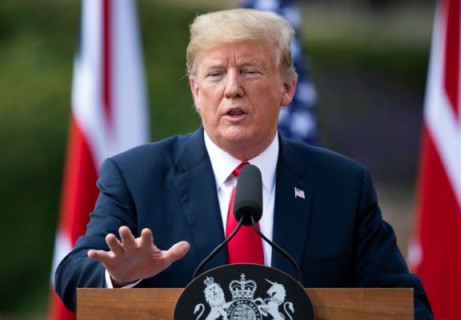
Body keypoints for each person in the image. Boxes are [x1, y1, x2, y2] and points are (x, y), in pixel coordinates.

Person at [55, 8, 433, 318]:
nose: (232, 88)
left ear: (287, 88)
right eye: (216, 74)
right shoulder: (137, 176)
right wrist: (117, 277)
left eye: (250, 71)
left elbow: (405, 305)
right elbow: (72, 276)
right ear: (197, 91)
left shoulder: (343, 184)